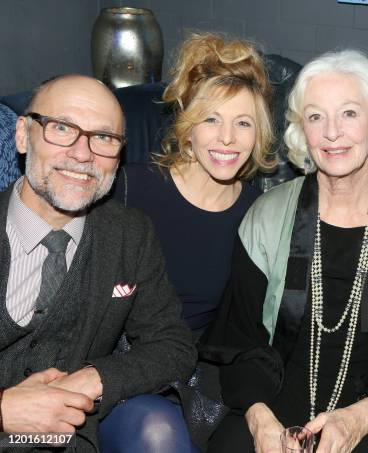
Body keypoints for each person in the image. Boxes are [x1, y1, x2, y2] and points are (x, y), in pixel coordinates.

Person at [200, 49, 368, 452]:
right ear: (300, 131)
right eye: (315, 116)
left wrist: (364, 415)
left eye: (348, 113)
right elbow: (238, 339)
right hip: (271, 406)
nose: (331, 132)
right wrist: (261, 422)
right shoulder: (268, 216)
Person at [0, 74, 196, 452]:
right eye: (62, 128)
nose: (82, 153)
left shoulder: (128, 234)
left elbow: (173, 346)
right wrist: (5, 408)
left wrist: (93, 379)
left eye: (103, 138)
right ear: (23, 134)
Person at [113, 32, 275, 339]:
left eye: (243, 122)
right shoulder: (127, 189)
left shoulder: (258, 213)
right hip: (116, 359)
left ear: (258, 135)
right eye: (211, 119)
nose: (227, 138)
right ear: (187, 128)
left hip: (193, 372)